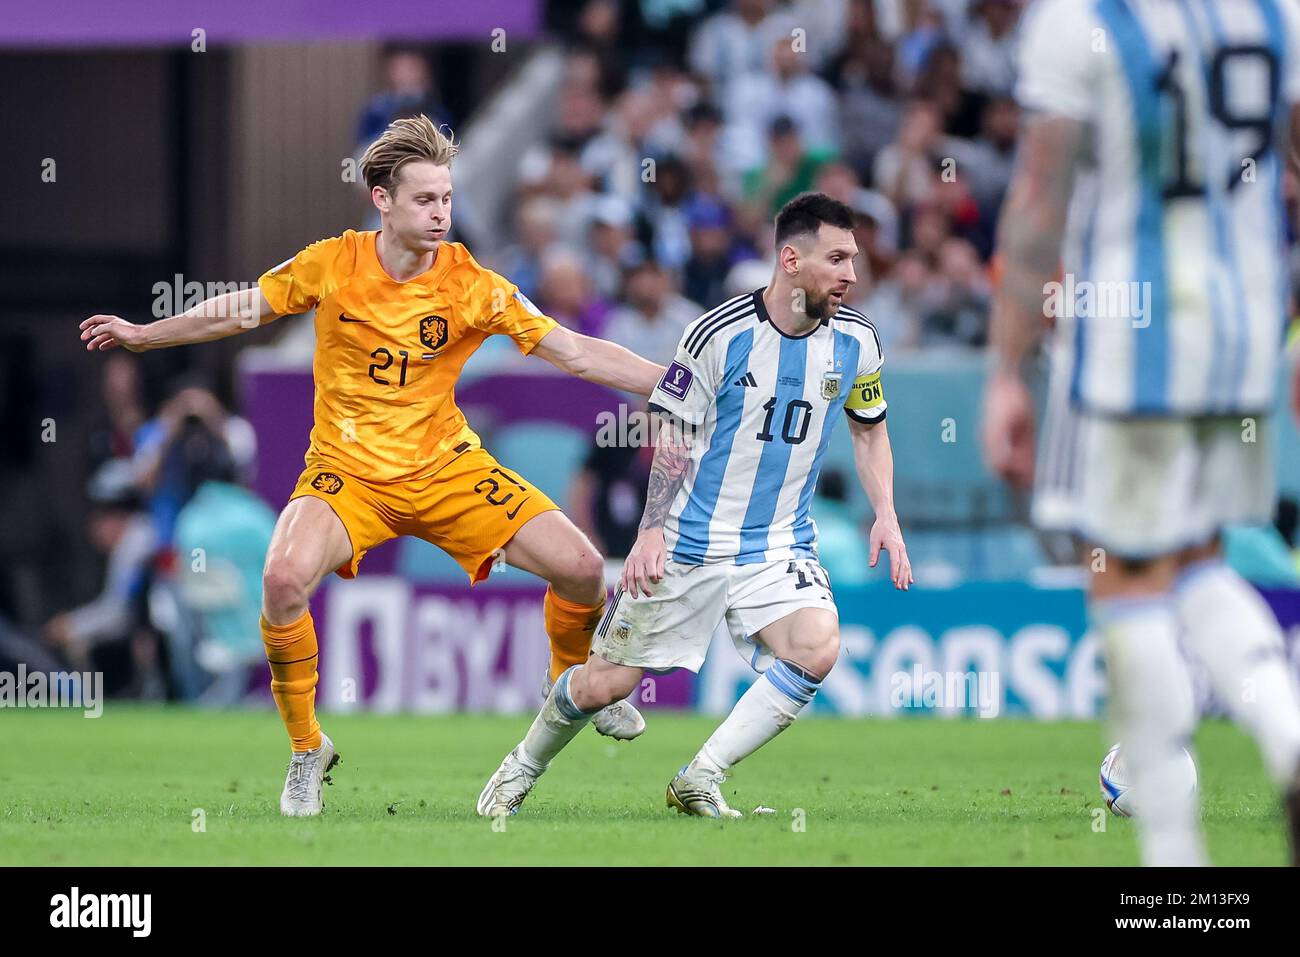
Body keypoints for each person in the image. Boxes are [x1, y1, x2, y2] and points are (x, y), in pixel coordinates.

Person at [80, 115, 665, 817]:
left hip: (447, 468)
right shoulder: (333, 262)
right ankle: (306, 749)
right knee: (282, 576)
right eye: (425, 200)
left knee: (578, 566)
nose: (441, 213)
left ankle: (571, 683)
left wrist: (676, 381)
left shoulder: (471, 282)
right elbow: (243, 312)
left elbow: (573, 350)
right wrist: (148, 333)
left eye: (446, 198)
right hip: (347, 475)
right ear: (382, 199)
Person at [982, 0, 1300, 866]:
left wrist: (1007, 369)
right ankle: (1286, 728)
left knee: (1126, 576)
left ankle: (1173, 868)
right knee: (1197, 558)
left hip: (1131, 336)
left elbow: (1040, 199)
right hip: (1244, 333)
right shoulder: (1275, 15)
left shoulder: (1080, 21)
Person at [478, 192, 912, 817]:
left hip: (778, 543)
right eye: (838, 258)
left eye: (855, 260)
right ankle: (524, 763)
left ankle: (700, 776)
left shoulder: (857, 341)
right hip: (689, 540)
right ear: (790, 259)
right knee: (608, 685)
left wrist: (887, 514)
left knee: (817, 644)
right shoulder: (718, 334)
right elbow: (673, 435)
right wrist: (651, 531)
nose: (851, 274)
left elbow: (869, 428)